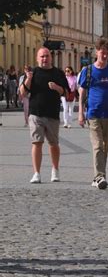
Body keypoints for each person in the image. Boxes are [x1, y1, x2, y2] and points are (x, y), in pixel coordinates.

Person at [78, 37, 108, 190]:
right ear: (97, 52)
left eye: (107, 53)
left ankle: (99, 176)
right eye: (102, 53)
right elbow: (82, 93)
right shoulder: (88, 71)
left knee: (105, 147)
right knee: (98, 146)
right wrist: (81, 112)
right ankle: (100, 177)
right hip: (93, 113)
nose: (104, 56)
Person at [19, 48, 69, 184]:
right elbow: (23, 93)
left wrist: (57, 88)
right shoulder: (32, 72)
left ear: (50, 57)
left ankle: (55, 170)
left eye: (46, 56)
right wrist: (28, 79)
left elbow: (67, 93)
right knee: (37, 143)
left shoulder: (58, 73)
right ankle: (36, 173)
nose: (44, 59)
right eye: (42, 57)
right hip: (36, 113)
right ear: (37, 58)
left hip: (52, 113)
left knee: (53, 144)